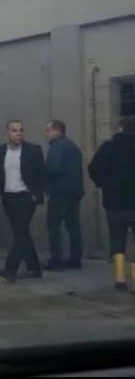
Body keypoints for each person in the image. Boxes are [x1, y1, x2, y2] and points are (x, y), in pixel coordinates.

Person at [87, 116, 135, 290]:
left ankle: (120, 278)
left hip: (113, 202)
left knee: (117, 239)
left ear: (120, 128)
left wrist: (104, 184)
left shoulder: (108, 147)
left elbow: (93, 168)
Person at [0, 120, 46, 283]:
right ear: (8, 133)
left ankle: (11, 269)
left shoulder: (32, 150)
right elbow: (1, 173)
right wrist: (2, 194)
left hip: (25, 197)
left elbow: (42, 174)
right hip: (9, 197)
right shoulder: (2, 150)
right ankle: (34, 268)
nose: (18, 133)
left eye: (20, 130)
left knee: (20, 233)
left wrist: (35, 195)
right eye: (14, 130)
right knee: (22, 233)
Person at [44, 119, 84, 271]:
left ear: (56, 130)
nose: (46, 134)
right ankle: (75, 259)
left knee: (53, 225)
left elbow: (54, 169)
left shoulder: (57, 147)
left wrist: (43, 176)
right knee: (73, 225)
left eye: (47, 130)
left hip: (59, 192)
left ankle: (56, 260)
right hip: (74, 192)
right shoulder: (73, 147)